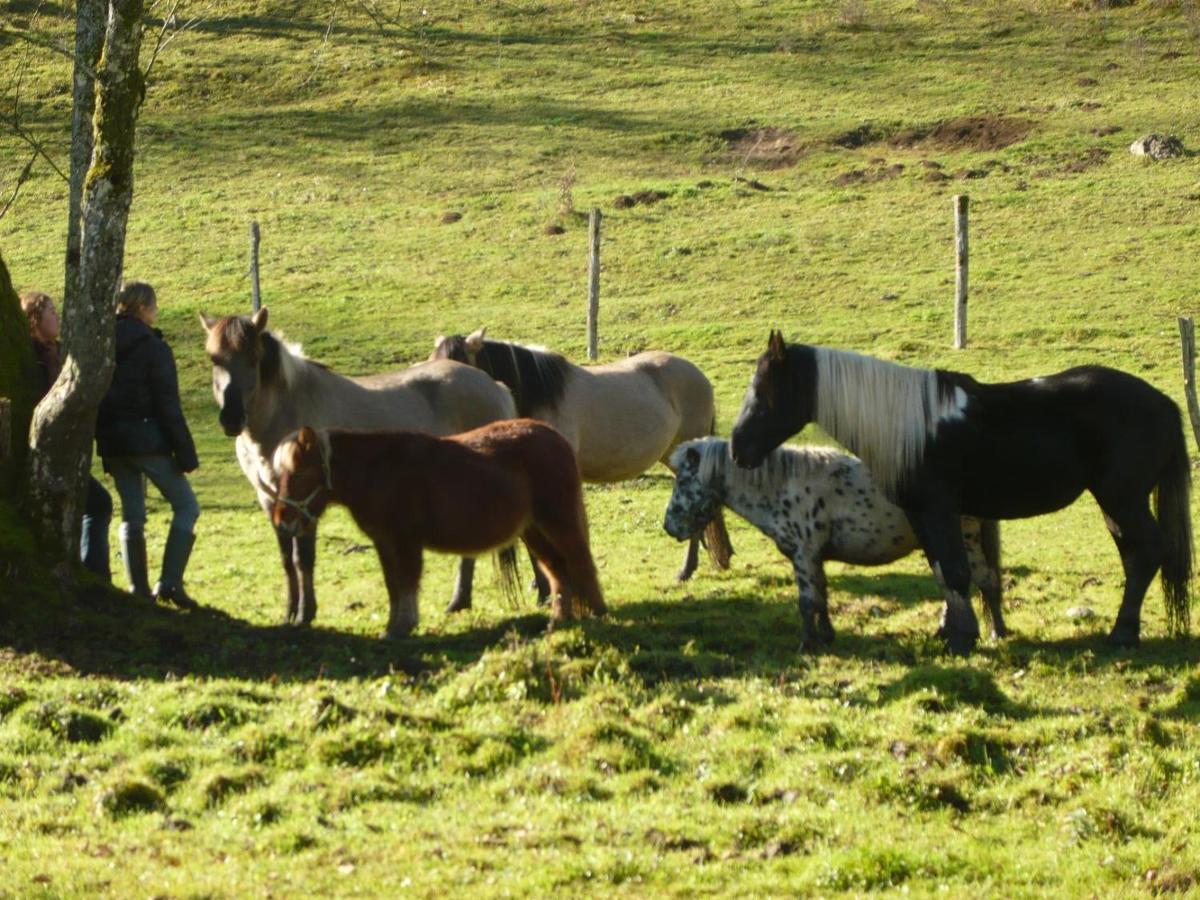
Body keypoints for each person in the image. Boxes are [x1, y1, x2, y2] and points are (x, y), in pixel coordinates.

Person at [95, 281, 201, 608]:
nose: (156, 312)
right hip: (148, 441)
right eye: (153, 306)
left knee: (132, 515)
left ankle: (138, 590)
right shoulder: (155, 349)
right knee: (187, 506)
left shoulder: (101, 342)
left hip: (113, 443)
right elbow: (168, 407)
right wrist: (186, 455)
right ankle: (169, 584)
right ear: (142, 308)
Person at [21, 290, 113, 580]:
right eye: (50, 312)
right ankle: (95, 574)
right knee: (98, 504)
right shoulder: (32, 359)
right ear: (34, 319)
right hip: (44, 453)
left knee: (96, 504)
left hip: (65, 449)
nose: (56, 316)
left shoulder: (59, 353)